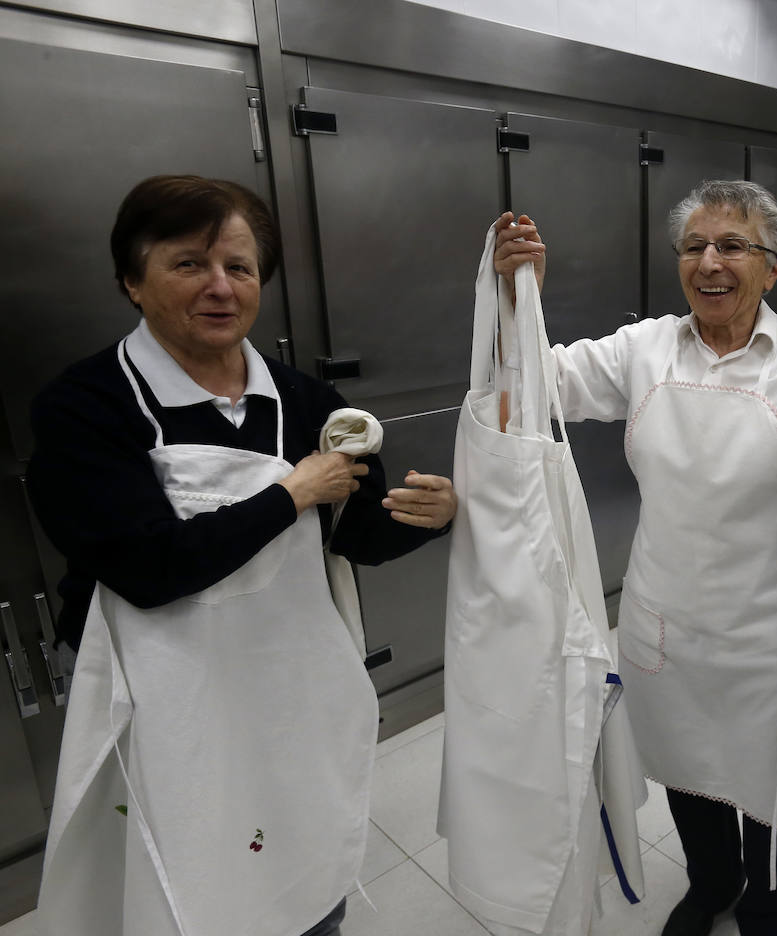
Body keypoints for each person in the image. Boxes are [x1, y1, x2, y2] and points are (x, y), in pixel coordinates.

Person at [29, 174, 457, 936]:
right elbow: (146, 570)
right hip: (166, 703)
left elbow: (355, 536)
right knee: (190, 874)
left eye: (241, 267)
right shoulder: (84, 406)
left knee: (300, 843)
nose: (221, 287)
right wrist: (291, 494)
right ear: (133, 280)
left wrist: (430, 517)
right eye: (189, 264)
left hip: (292, 683)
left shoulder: (310, 405)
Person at [492, 180, 777, 936]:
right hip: (663, 621)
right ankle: (711, 885)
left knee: (774, 786)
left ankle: (772, 909)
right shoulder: (645, 348)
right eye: (695, 246)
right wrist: (521, 299)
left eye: (733, 245)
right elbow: (541, 389)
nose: (710, 262)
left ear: (772, 269)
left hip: (770, 633)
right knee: (684, 766)